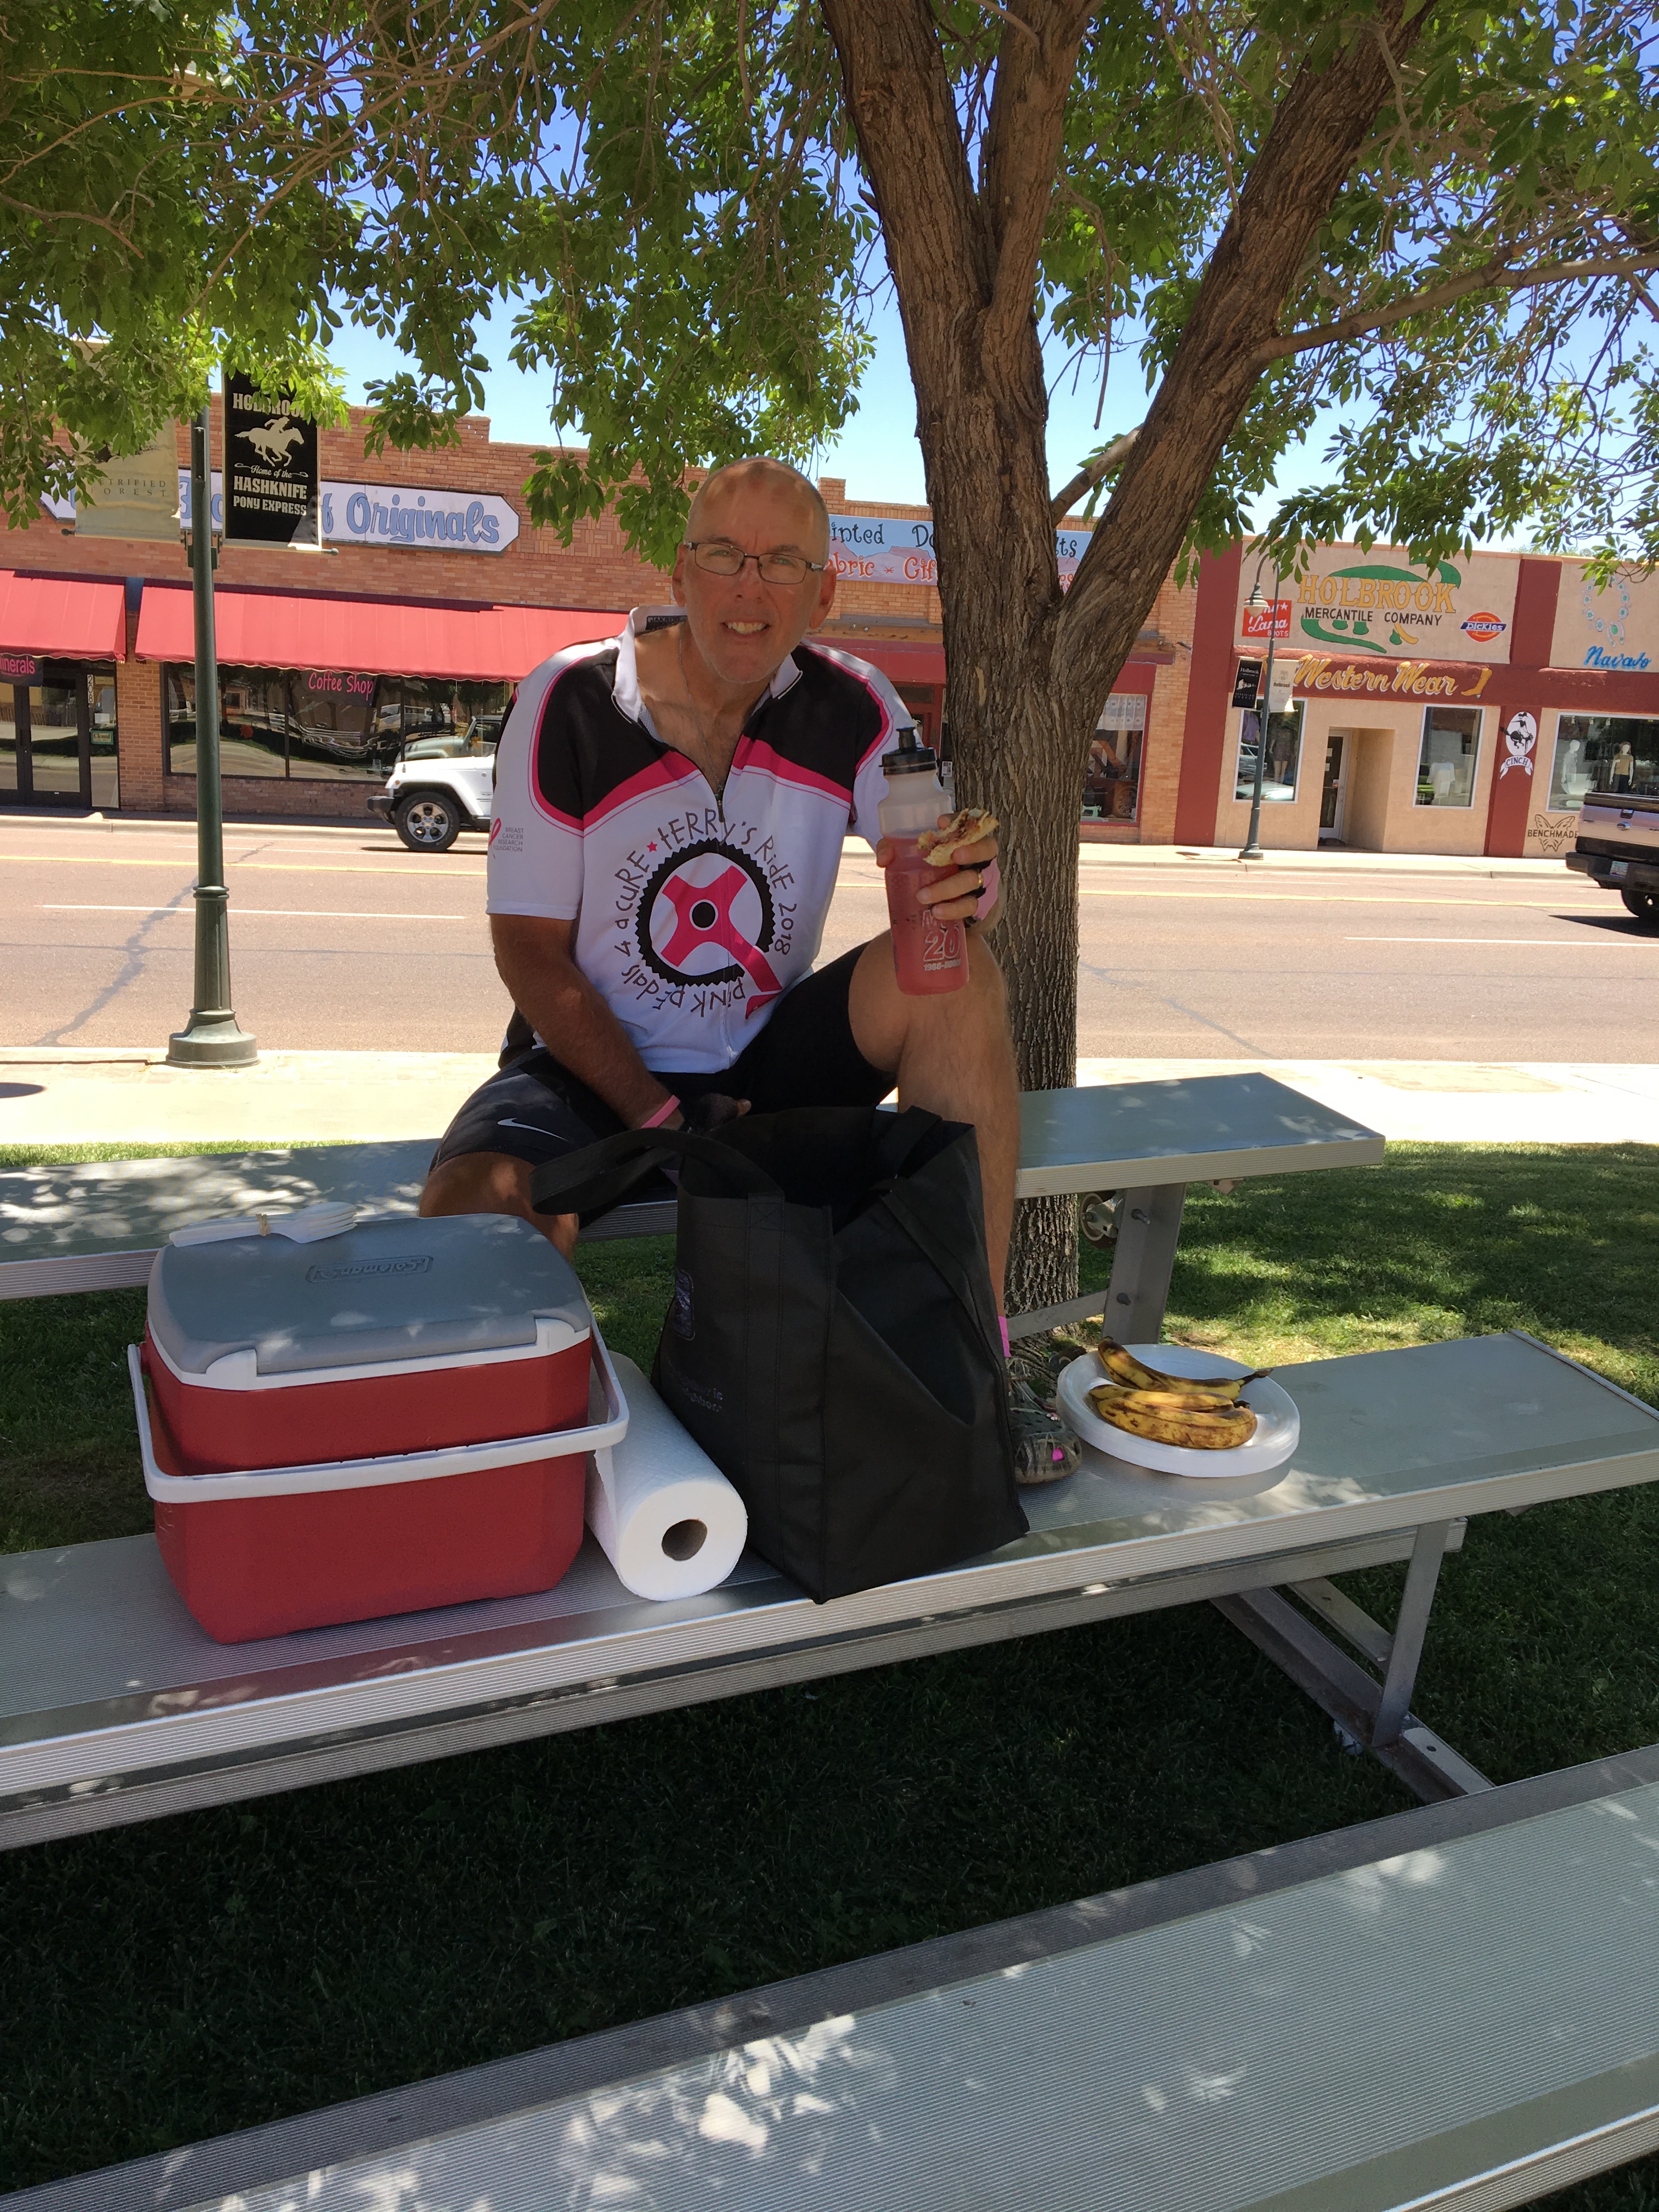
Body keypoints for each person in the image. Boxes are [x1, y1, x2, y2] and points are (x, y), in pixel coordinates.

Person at [421, 456, 1078, 1483]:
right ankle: (522, 1454)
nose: (749, 586)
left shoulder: (857, 704)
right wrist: (660, 1119)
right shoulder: (570, 698)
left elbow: (935, 877)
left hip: (768, 1063)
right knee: (474, 1204)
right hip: (590, 1060)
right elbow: (529, 954)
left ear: (825, 593)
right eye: (725, 554)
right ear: (679, 571)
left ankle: (973, 1365)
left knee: (964, 976)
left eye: (783, 563)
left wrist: (969, 882)